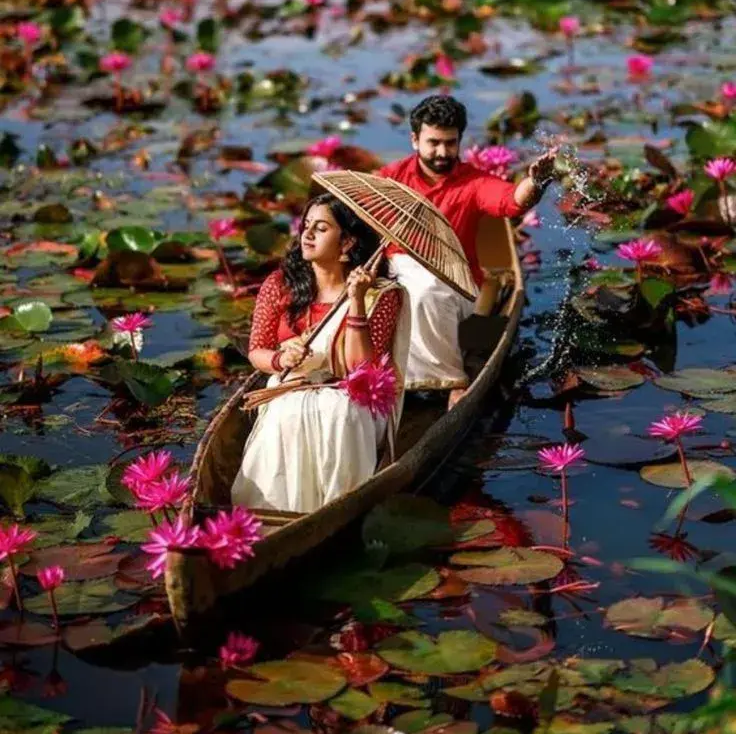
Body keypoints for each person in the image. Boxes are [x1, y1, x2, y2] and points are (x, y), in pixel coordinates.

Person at [231, 194, 410, 514]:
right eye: (306, 225)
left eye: (322, 228)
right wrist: (281, 360)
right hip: (291, 385)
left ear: (347, 242)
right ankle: (277, 510)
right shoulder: (279, 284)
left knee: (340, 412)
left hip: (351, 394)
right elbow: (257, 350)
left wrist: (356, 299)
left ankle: (336, 509)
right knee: (286, 410)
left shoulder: (379, 295)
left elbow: (361, 369)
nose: (308, 234)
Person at [377, 95, 559, 407]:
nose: (442, 152)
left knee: (425, 291)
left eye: (450, 143)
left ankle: (451, 378)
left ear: (460, 140)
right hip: (396, 274)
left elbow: (512, 202)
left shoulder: (474, 182)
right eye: (433, 143)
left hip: (454, 283)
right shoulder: (390, 179)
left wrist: (535, 182)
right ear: (414, 139)